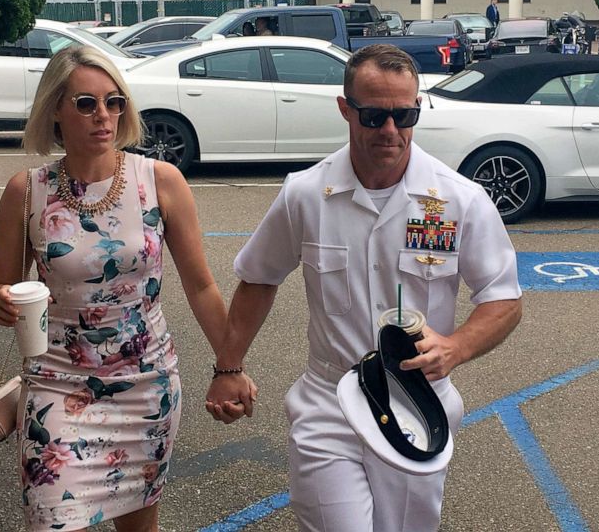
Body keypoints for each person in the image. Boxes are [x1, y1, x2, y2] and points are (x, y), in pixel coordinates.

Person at [206, 44, 522, 532]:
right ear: (345, 109)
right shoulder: (307, 194)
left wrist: (455, 348)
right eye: (373, 116)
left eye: (405, 114)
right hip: (329, 400)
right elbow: (259, 278)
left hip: (418, 402)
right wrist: (228, 366)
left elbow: (503, 300)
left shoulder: (458, 200)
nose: (391, 131)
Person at [0, 46, 255, 532]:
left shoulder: (160, 182)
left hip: (146, 389)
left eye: (114, 102)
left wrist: (230, 365)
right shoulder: (26, 191)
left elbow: (201, 287)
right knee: (48, 519)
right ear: (55, 109)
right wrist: (4, 301)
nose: (104, 116)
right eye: (86, 104)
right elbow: (1, 288)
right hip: (56, 385)